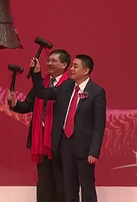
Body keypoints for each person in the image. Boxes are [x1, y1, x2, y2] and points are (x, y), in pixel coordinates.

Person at [30, 54, 107, 202]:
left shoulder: (97, 92)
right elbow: (43, 93)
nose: (71, 69)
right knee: (69, 188)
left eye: (75, 66)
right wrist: (36, 73)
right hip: (64, 145)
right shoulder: (67, 86)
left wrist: (94, 151)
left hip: (84, 149)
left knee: (87, 188)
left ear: (86, 71)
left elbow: (99, 125)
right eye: (71, 65)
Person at [7, 50, 70, 202]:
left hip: (61, 141)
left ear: (64, 65)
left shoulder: (69, 85)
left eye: (54, 61)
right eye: (48, 60)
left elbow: (46, 95)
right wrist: (14, 103)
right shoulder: (41, 84)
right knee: (45, 184)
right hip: (41, 140)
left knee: (62, 184)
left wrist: (35, 74)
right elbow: (28, 105)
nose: (49, 63)